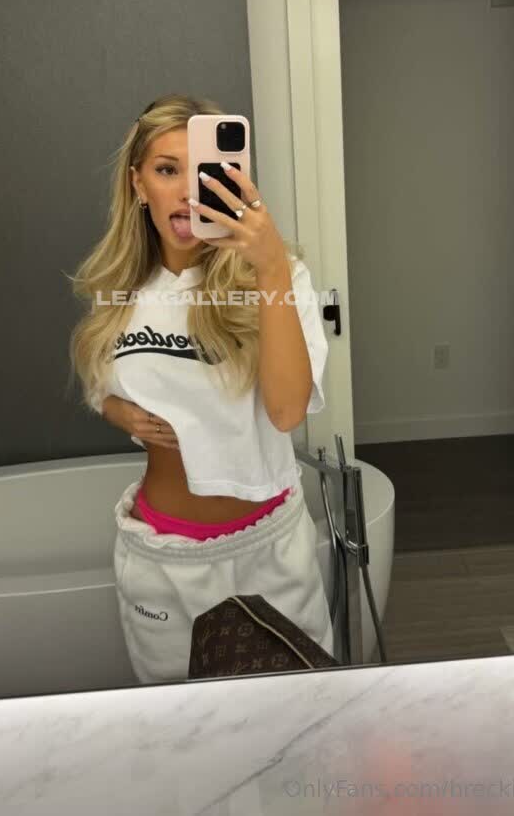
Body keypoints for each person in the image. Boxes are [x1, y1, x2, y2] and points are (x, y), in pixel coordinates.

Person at [69, 93, 333, 683]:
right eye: (168, 170)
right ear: (138, 184)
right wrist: (115, 410)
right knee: (177, 724)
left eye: (206, 173)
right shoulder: (119, 288)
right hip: (160, 554)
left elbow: (287, 410)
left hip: (268, 548)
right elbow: (100, 381)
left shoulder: (281, 278)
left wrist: (269, 266)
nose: (189, 192)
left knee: (300, 711)